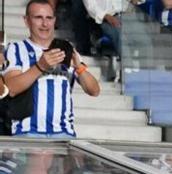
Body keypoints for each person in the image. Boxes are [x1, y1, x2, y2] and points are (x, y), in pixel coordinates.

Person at [2, 0, 101, 137]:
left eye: (49, 18)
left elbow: (94, 91)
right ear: (26, 21)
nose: (45, 23)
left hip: (64, 134)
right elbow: (10, 89)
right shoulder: (16, 49)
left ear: (54, 20)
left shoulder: (66, 49)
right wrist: (40, 66)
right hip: (27, 133)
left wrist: (79, 68)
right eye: (38, 17)